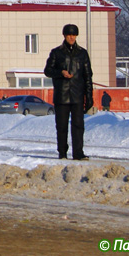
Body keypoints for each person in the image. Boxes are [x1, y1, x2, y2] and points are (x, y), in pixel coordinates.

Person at [44, 24, 94, 160]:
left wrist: (89, 96)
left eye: (74, 35)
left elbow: (88, 75)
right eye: (69, 35)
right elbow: (47, 71)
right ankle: (62, 152)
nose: (71, 37)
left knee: (78, 125)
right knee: (62, 126)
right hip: (62, 96)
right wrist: (60, 73)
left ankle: (78, 152)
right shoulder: (56, 53)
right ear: (64, 36)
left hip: (77, 95)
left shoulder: (82, 53)